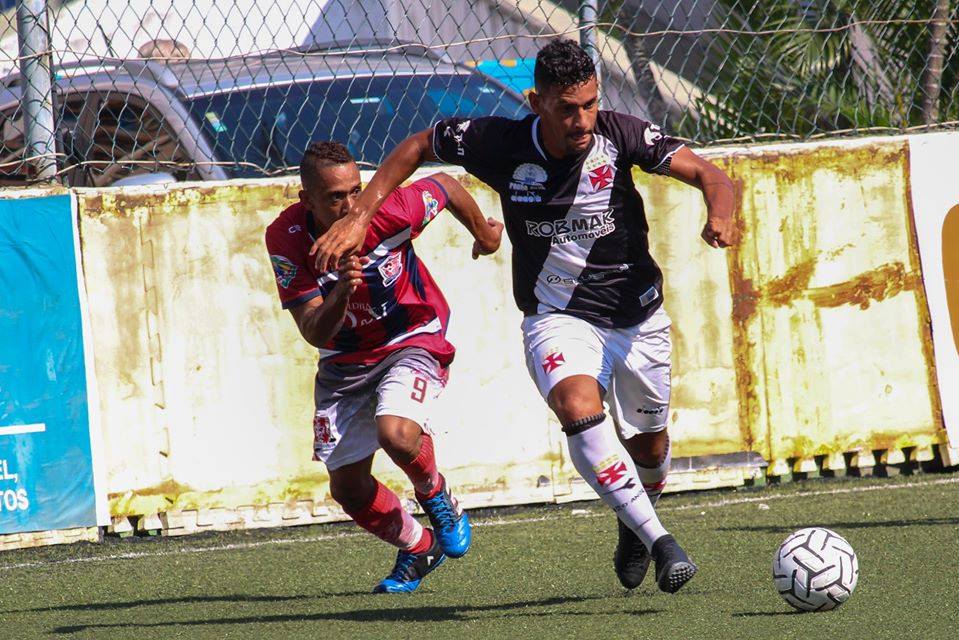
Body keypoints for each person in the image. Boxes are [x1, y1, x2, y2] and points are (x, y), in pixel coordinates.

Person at [308, 39, 737, 594]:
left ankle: (634, 522)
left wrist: (720, 214)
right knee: (577, 405)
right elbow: (420, 145)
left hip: (637, 318)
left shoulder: (620, 134)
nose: (582, 120)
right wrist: (362, 215)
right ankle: (661, 541)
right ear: (537, 103)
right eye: (567, 108)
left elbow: (710, 174)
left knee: (650, 448)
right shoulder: (502, 143)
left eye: (589, 104)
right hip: (557, 317)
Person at [265, 141, 503, 593]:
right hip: (344, 361)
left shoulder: (387, 210)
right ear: (306, 199)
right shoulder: (286, 237)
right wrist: (341, 292)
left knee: (395, 433)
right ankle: (419, 546)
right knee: (348, 488)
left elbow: (444, 185)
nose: (351, 206)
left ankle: (436, 494)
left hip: (411, 338)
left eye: (356, 190)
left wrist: (485, 235)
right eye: (336, 197)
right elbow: (314, 331)